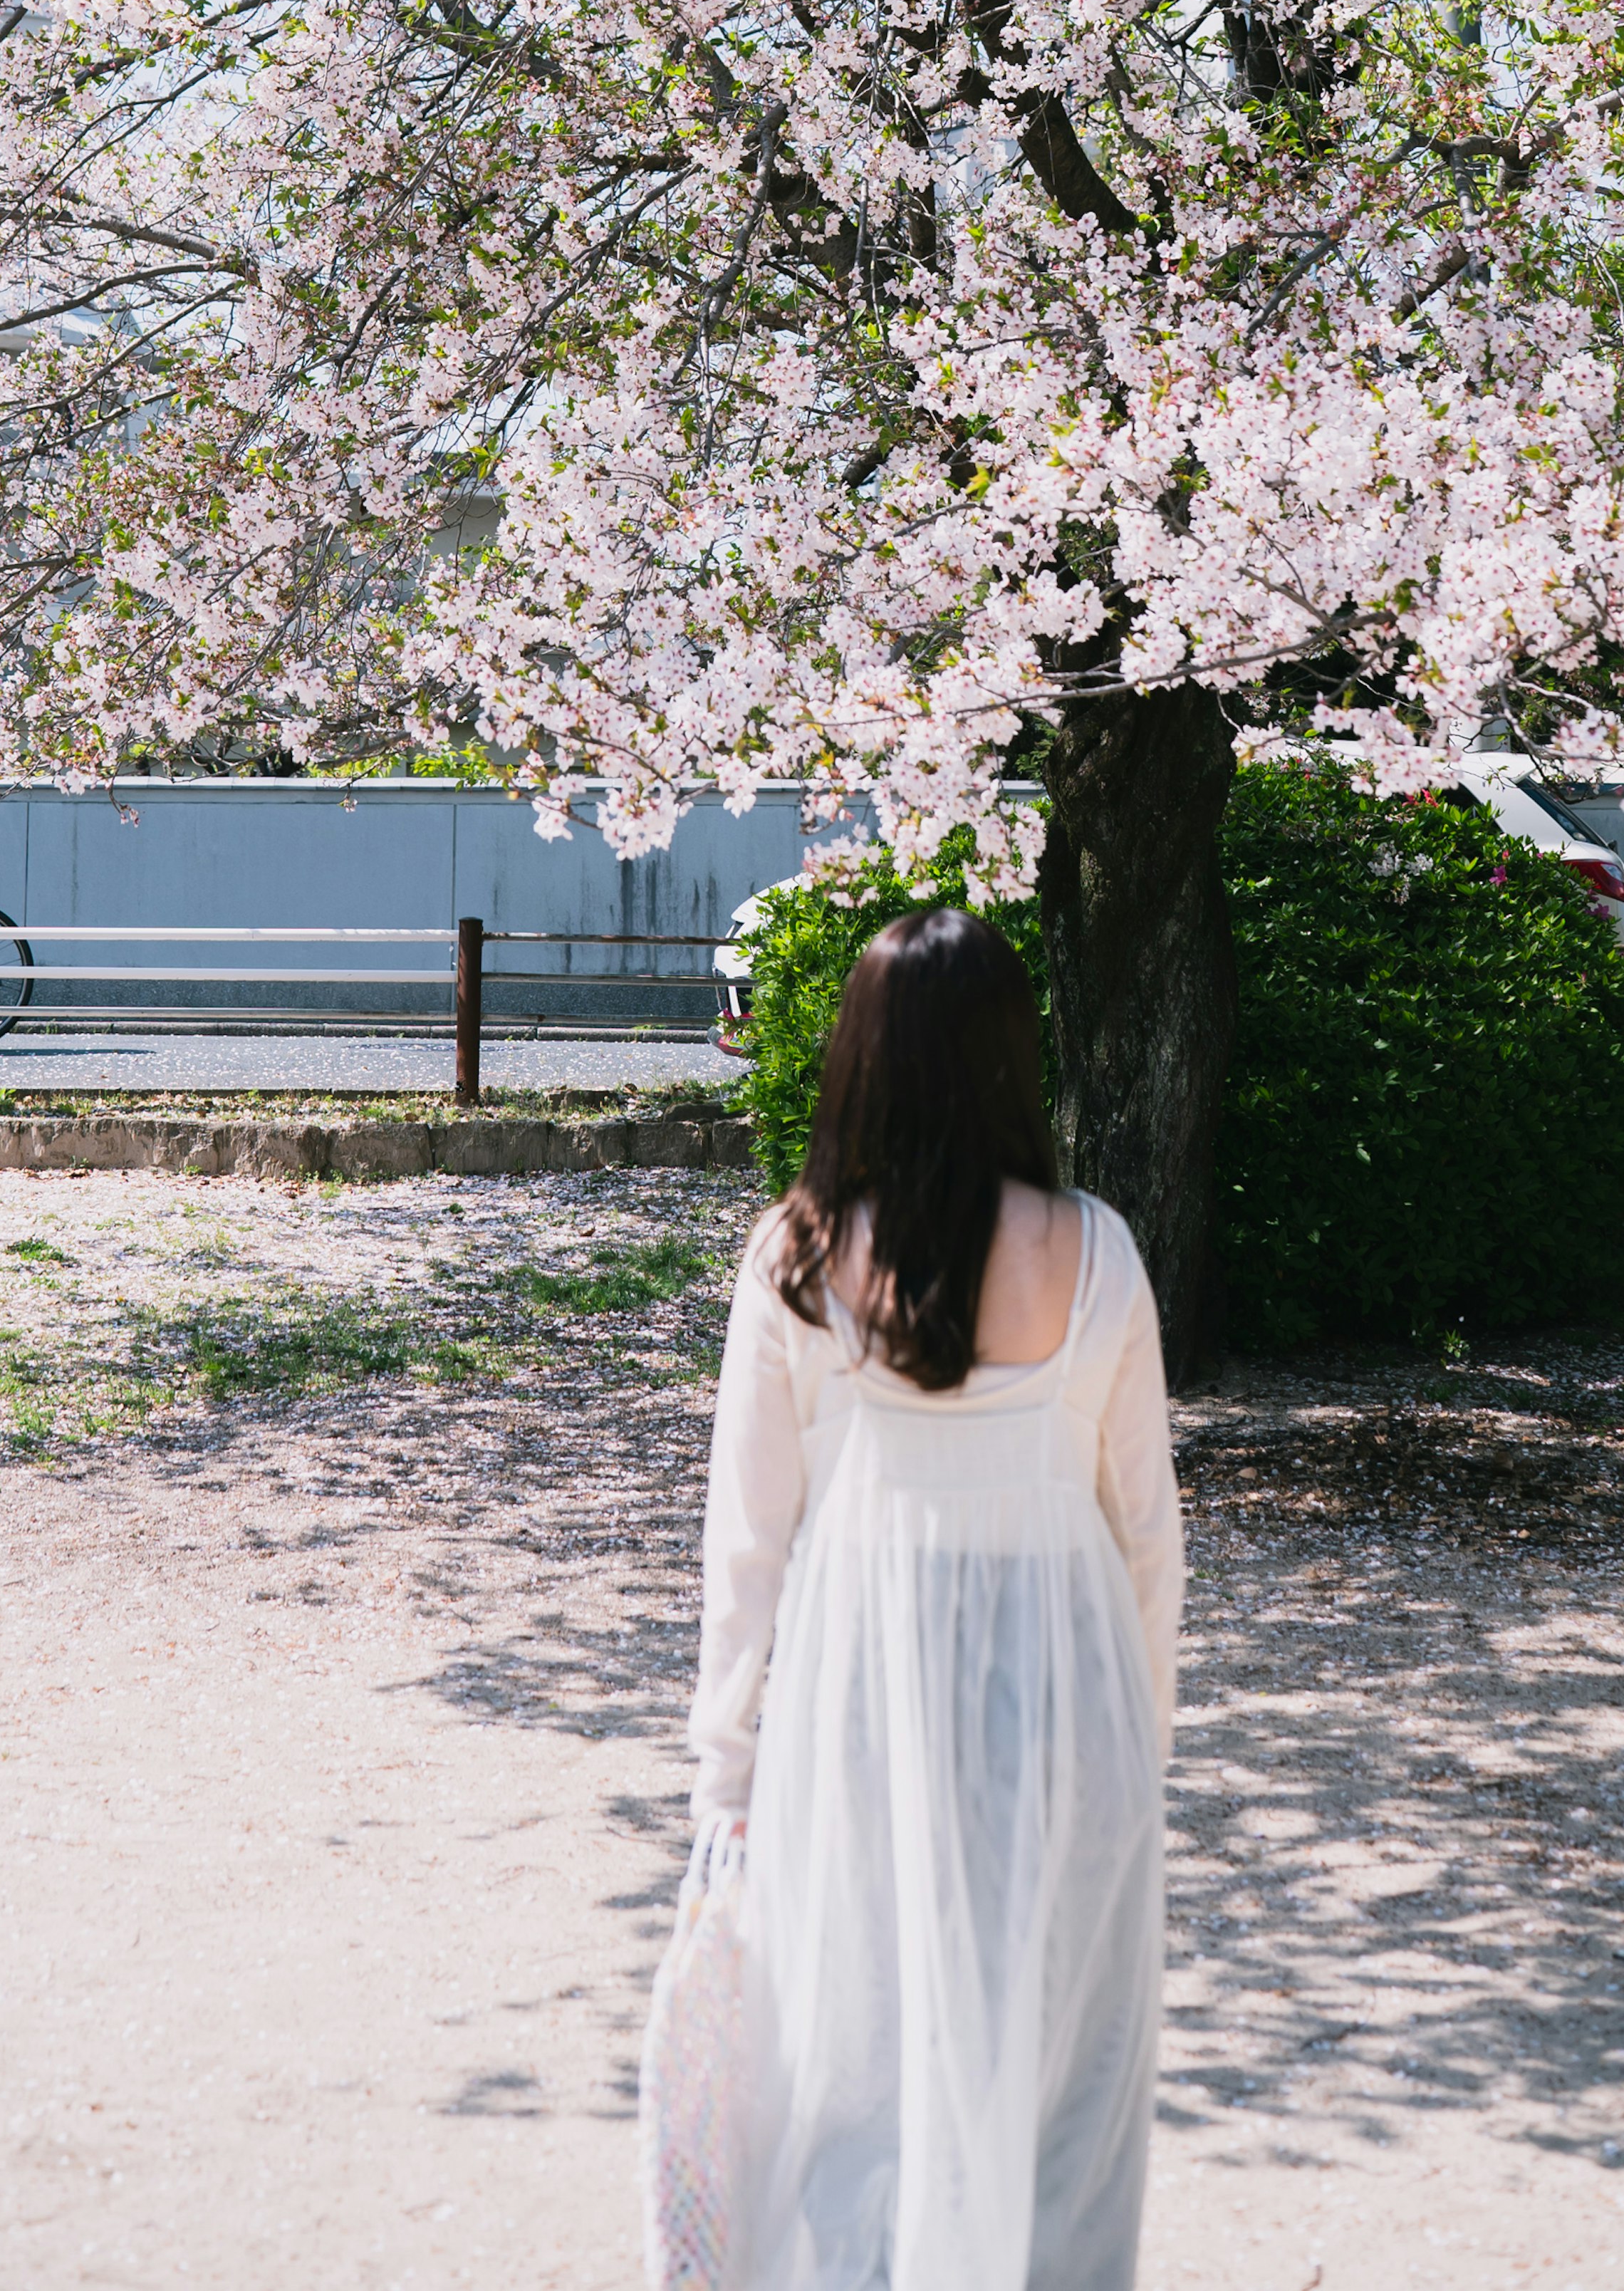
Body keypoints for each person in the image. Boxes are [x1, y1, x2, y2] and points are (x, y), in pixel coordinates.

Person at [689, 904, 1183, 2291]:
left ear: (859, 1055)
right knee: (1062, 2070)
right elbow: (1147, 1527)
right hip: (1069, 1682)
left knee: (854, 2052)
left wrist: (722, 1773)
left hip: (859, 1686)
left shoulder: (794, 1257)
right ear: (1013, 1058)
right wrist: (1138, 1742)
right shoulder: (1101, 1249)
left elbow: (748, 1544)